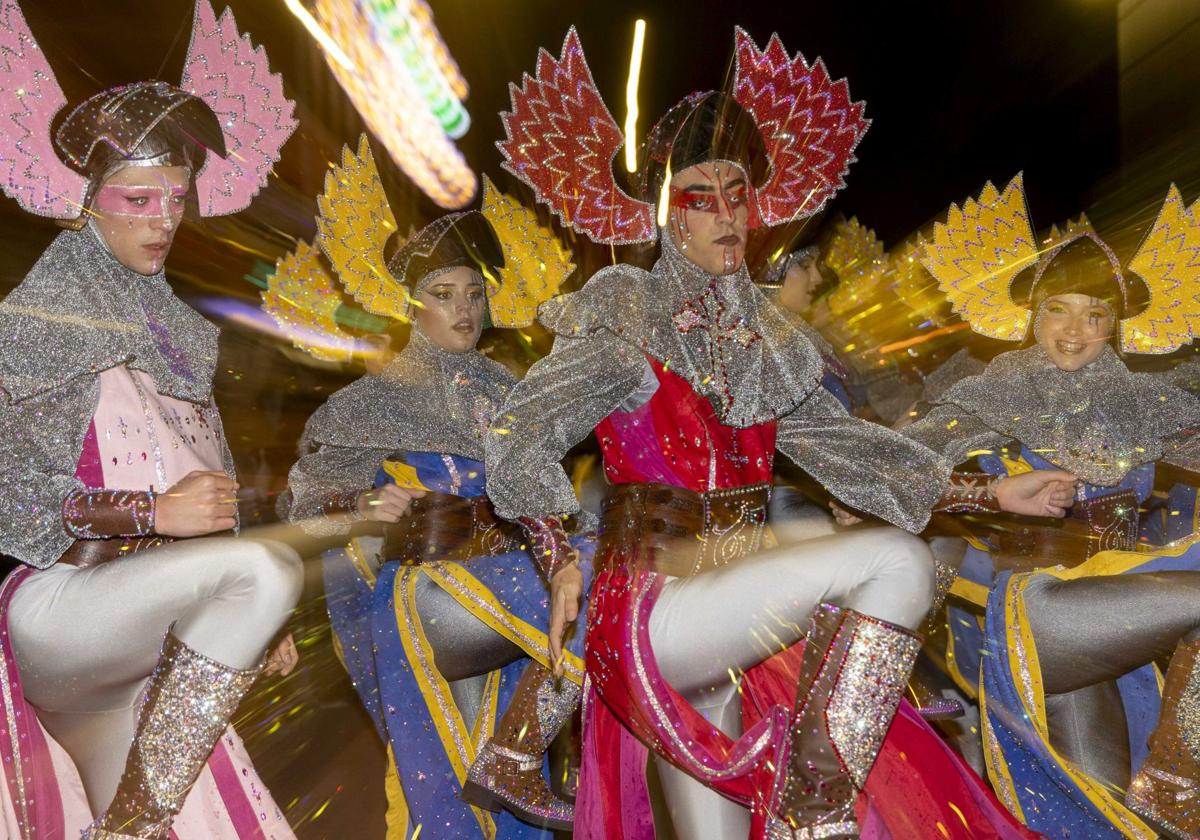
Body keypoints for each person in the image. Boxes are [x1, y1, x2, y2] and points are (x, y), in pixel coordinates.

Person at [486, 27, 1056, 840]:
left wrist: (993, 489)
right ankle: (811, 809)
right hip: (654, 605)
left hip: (734, 604)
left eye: (738, 196)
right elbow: (519, 428)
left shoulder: (767, 339)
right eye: (700, 199)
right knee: (895, 562)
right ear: (665, 216)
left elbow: (846, 446)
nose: (727, 216)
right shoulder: (625, 308)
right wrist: (556, 556)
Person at [0, 2, 300, 838]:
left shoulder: (182, 334)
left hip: (144, 626)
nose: (164, 219)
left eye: (177, 198)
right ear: (87, 202)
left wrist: (243, 615)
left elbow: (212, 502)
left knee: (197, 818)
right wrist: (153, 516)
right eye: (139, 198)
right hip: (67, 602)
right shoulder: (48, 311)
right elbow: (9, 491)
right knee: (268, 570)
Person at [282, 138, 590, 837]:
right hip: (431, 599)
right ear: (409, 306)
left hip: (509, 583)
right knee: (445, 788)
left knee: (499, 804)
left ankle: (513, 757)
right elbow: (302, 508)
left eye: (475, 294)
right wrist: (361, 507)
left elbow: (545, 501)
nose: (465, 310)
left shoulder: (511, 393)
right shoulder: (371, 400)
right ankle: (511, 758)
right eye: (443, 296)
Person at [904, 173, 1200, 840]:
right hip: (1032, 609)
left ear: (1115, 325)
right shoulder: (992, 391)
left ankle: (1174, 798)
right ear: (1031, 315)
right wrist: (987, 493)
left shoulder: (1149, 402)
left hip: (1112, 620)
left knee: (1098, 807)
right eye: (1057, 310)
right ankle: (1185, 792)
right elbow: (901, 474)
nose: (1073, 332)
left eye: (1093, 315)